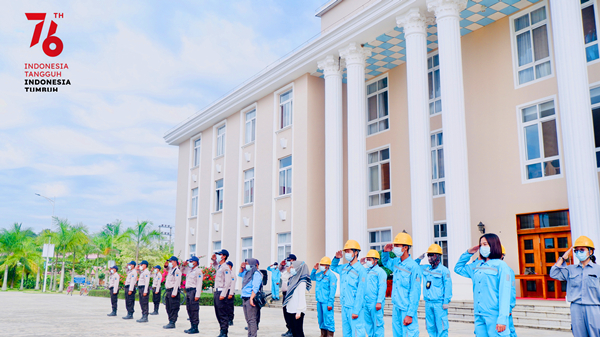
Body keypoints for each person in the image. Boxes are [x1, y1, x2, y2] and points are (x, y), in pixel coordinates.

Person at [455, 233, 512, 337]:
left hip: (494, 315)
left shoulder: (501, 266)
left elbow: (505, 292)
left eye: (485, 244)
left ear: (493, 245)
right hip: (479, 314)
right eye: (480, 245)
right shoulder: (477, 266)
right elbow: (458, 268)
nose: (482, 247)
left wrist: (502, 319)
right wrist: (468, 253)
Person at [550, 235, 600, 337]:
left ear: (590, 252)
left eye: (582, 250)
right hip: (576, 308)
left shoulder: (598, 270)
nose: (579, 252)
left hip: (594, 307)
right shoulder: (570, 269)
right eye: (576, 250)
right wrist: (563, 258)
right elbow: (553, 273)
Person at [382, 233, 421, 337]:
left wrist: (410, 314)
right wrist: (385, 252)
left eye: (397, 246)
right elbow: (385, 263)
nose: (395, 248)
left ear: (405, 248)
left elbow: (415, 292)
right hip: (396, 308)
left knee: (409, 334)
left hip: (406, 308)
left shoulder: (413, 267)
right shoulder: (396, 262)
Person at [331, 240, 367, 337]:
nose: (346, 254)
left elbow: (361, 292)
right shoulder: (344, 267)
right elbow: (333, 267)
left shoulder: (361, 270)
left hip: (355, 307)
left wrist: (356, 310)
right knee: (346, 333)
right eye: (345, 252)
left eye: (349, 251)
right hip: (345, 306)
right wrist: (336, 258)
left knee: (357, 333)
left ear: (356, 253)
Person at [415, 244, 452, 337]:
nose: (429, 257)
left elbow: (448, 286)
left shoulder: (444, 270)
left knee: (441, 327)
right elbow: (413, 267)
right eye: (428, 255)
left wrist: (446, 301)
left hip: (439, 304)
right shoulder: (425, 268)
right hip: (428, 303)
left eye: (432, 255)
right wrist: (418, 259)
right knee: (430, 327)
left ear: (438, 256)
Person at [362, 250, 387, 337]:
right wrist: (360, 263)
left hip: (375, 302)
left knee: (377, 324)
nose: (368, 261)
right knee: (368, 325)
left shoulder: (380, 272)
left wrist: (379, 301)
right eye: (367, 259)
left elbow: (382, 287)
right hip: (366, 302)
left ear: (376, 260)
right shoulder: (365, 271)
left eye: (370, 259)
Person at [284, 260, 312, 337]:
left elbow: (301, 297)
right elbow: (284, 278)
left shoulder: (301, 282)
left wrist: (299, 311)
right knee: (293, 332)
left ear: (298, 268)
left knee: (298, 332)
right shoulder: (293, 279)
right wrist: (287, 271)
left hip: (297, 311)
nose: (291, 268)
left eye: (293, 267)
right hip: (291, 309)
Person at [310, 256, 337, 337]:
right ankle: (323, 334)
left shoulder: (332, 276)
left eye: (323, 265)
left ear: (327, 266)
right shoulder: (319, 275)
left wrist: (330, 303)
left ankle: (330, 335)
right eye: (321, 264)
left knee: (328, 319)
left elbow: (332, 290)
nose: (321, 266)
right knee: (321, 319)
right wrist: (314, 270)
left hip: (327, 302)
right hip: (319, 301)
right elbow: (312, 277)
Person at [211, 249, 234, 337]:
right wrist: (213, 259)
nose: (217, 256)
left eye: (219, 254)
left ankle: (224, 332)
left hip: (222, 292)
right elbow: (215, 265)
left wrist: (223, 294)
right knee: (218, 312)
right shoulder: (220, 267)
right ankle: (221, 330)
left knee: (223, 313)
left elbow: (228, 282)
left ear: (224, 256)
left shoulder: (226, 267)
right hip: (217, 292)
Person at [239, 258, 262, 337]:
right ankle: (250, 335)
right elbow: (240, 274)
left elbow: (255, 287)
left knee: (252, 320)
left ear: (252, 264)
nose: (246, 265)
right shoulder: (247, 273)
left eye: (247, 263)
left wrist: (251, 298)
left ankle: (253, 335)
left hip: (250, 298)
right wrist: (242, 267)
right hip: (245, 298)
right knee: (248, 320)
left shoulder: (256, 273)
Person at [181, 256, 203, 334]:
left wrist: (197, 295)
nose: (189, 263)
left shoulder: (198, 271)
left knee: (194, 310)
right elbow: (182, 270)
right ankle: (192, 326)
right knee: (189, 309)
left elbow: (199, 284)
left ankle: (195, 327)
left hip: (194, 291)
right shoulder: (189, 270)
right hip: (188, 292)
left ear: (195, 262)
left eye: (191, 261)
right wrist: (183, 265)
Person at [500, 246, 516, 337]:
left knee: (509, 330)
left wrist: (509, 308)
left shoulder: (507, 270)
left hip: (504, 309)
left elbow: (511, 290)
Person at [163, 256, 182, 330]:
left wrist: (174, 292)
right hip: (168, 291)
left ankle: (172, 322)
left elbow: (177, 282)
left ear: (174, 262)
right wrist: (165, 265)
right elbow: (167, 268)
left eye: (171, 261)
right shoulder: (171, 270)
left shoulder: (177, 271)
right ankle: (170, 321)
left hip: (173, 291)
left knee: (173, 307)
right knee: (168, 307)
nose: (170, 263)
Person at [280, 260, 292, 337]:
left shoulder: (293, 270)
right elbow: (280, 269)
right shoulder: (286, 269)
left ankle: (292, 330)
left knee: (290, 312)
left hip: (289, 294)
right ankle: (288, 328)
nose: (288, 262)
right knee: (285, 312)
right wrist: (281, 264)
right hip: (284, 294)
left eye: (289, 261)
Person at [226, 261, 236, 326]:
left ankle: (230, 320)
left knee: (230, 307)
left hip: (230, 291)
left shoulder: (232, 274)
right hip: (225, 291)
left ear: (230, 266)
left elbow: (232, 284)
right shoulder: (226, 273)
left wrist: (231, 293)